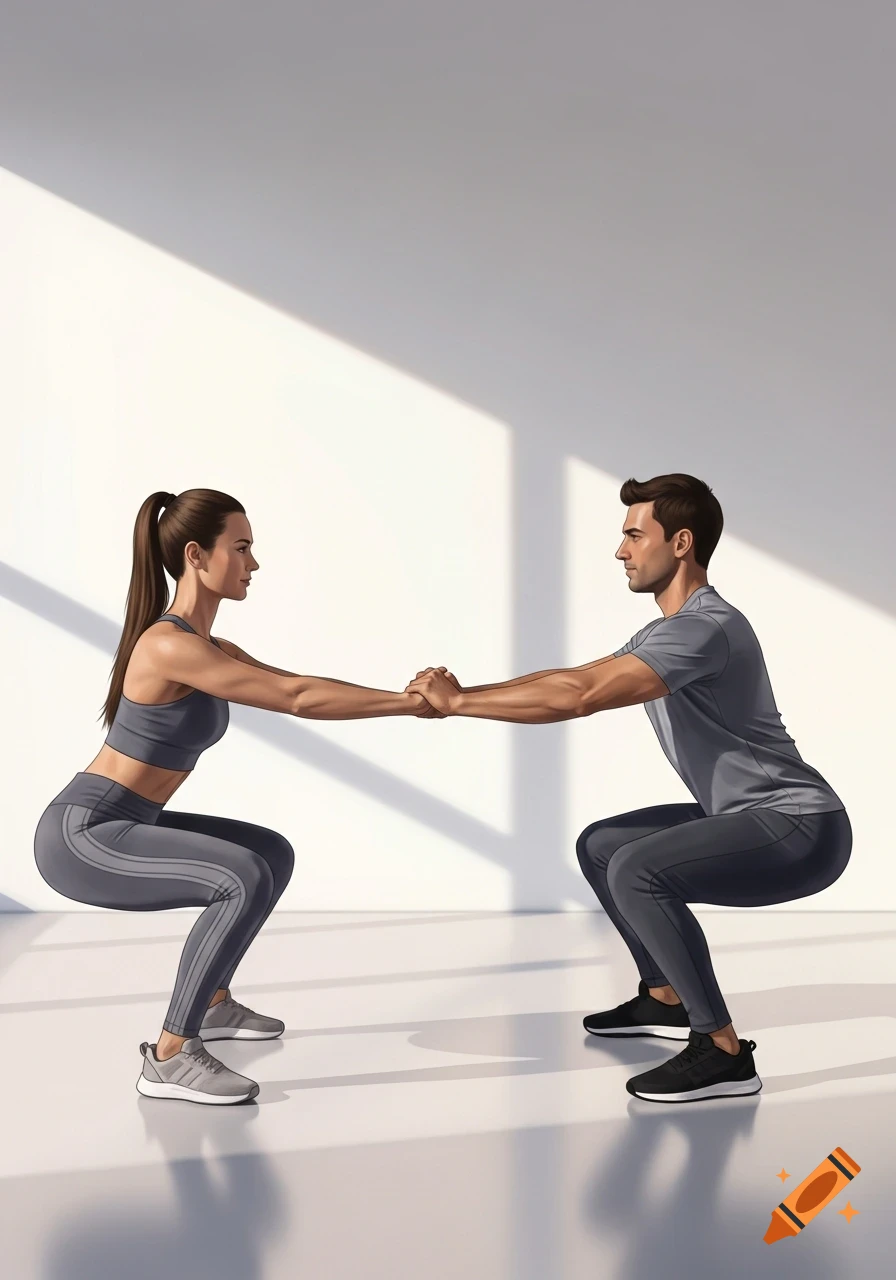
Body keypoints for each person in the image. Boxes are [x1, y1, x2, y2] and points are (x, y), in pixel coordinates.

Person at [407, 473, 852, 1105]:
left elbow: (580, 698)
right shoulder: (665, 632)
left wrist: (457, 706)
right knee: (605, 845)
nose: (620, 550)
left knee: (638, 869)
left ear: (681, 543)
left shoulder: (706, 628)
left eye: (633, 535)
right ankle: (665, 997)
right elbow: (572, 676)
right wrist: (463, 697)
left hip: (800, 829)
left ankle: (722, 1052)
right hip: (756, 815)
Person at [33, 488, 449, 1106]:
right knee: (240, 874)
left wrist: (401, 694)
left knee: (269, 853)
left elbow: (293, 684)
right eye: (243, 547)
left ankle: (215, 1002)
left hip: (125, 820)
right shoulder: (167, 645)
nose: (254, 563)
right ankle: (170, 1057)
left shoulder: (211, 648)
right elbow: (298, 700)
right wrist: (410, 704)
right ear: (197, 555)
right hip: (84, 836)